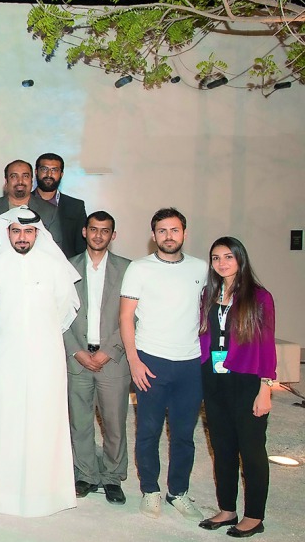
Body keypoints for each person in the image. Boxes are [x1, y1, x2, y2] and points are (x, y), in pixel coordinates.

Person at [0, 206, 79, 517]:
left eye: (28, 231)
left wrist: (38, 339)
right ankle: (1, 493)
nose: (22, 237)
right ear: (7, 232)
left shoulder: (53, 265)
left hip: (45, 359)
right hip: (4, 359)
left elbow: (65, 309)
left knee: (44, 422)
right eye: (16, 231)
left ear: (38, 233)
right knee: (4, 422)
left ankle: (46, 493)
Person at [119, 208, 208, 521]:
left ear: (184, 232)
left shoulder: (202, 268)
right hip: (151, 360)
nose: (168, 236)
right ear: (153, 234)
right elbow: (126, 316)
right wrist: (134, 361)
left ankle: (178, 492)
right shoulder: (139, 269)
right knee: (148, 431)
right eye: (162, 230)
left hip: (190, 363)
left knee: (184, 433)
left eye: (174, 230)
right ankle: (150, 490)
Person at [197, 237, 276, 537]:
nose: (222, 263)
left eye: (228, 257)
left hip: (247, 381)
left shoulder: (260, 297)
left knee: (252, 450)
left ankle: (255, 516)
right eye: (216, 258)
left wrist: (265, 387)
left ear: (240, 259)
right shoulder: (208, 294)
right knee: (223, 448)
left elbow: (267, 346)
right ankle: (227, 509)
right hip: (214, 381)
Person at [63, 211, 131, 504]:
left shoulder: (128, 270)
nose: (99, 235)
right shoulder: (67, 268)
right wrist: (76, 351)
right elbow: (56, 314)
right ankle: (86, 474)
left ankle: (113, 477)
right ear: (84, 231)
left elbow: (134, 317)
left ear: (113, 235)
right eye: (94, 229)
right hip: (77, 357)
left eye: (105, 231)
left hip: (113, 360)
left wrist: (109, 351)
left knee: (114, 423)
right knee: (79, 422)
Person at [0, 160, 62, 261]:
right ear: (6, 182)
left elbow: (54, 249)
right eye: (14, 176)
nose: (20, 181)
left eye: (25, 176)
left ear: (32, 181)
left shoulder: (49, 211)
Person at [34, 153, 88, 257]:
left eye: (54, 170)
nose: (49, 174)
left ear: (61, 174)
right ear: (36, 172)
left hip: (65, 267)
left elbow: (81, 247)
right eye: (44, 169)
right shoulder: (23, 203)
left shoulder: (76, 206)